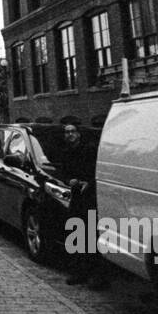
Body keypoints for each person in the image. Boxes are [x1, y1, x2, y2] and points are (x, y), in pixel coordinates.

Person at [52, 121, 107, 290]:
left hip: (90, 196)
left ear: (79, 133)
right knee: (77, 233)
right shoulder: (66, 152)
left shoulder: (89, 149)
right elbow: (63, 172)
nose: (69, 134)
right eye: (67, 132)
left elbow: (97, 170)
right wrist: (69, 180)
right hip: (76, 197)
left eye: (72, 131)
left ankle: (96, 275)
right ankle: (80, 272)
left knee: (92, 234)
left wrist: (88, 183)